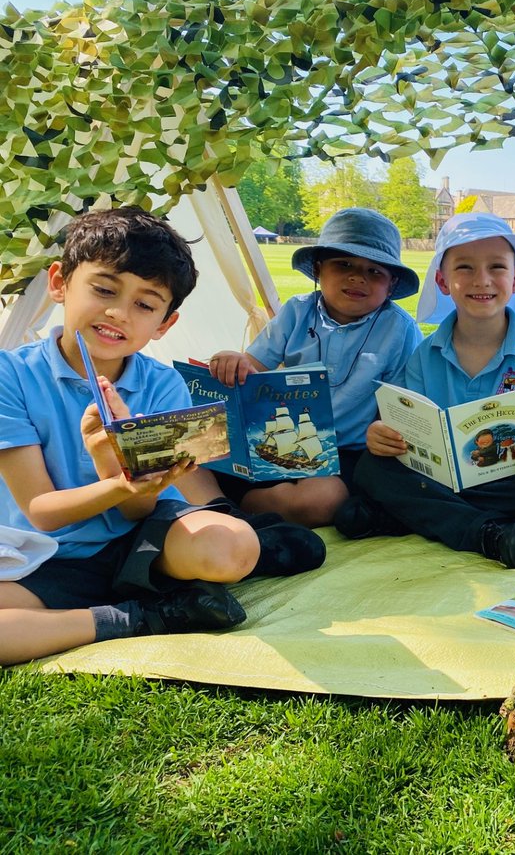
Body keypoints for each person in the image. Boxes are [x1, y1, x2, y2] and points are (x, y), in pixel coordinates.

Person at [0, 207, 324, 666]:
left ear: (164, 324)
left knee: (233, 548)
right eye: (104, 289)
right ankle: (141, 616)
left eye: (145, 304)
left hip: (138, 541)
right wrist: (116, 478)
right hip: (45, 558)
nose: (118, 313)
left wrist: (117, 465)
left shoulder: (162, 384)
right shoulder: (9, 375)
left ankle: (248, 547)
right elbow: (41, 514)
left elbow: (139, 510)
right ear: (59, 283)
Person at [333, 212, 515, 568]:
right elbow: (397, 420)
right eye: (464, 268)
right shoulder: (424, 355)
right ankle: (489, 533)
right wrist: (380, 435)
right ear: (443, 282)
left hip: (507, 479)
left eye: (497, 267)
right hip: (440, 476)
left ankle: (419, 517)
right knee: (371, 469)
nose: (483, 280)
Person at [205, 208, 423, 527]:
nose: (357, 277)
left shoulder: (400, 329)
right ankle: (236, 507)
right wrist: (233, 361)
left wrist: (385, 433)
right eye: (344, 264)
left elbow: (402, 403)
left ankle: (241, 510)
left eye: (374, 271)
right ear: (319, 269)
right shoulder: (297, 311)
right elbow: (251, 369)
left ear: (391, 286)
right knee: (201, 457)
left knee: (322, 500)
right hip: (280, 441)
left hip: (349, 450)